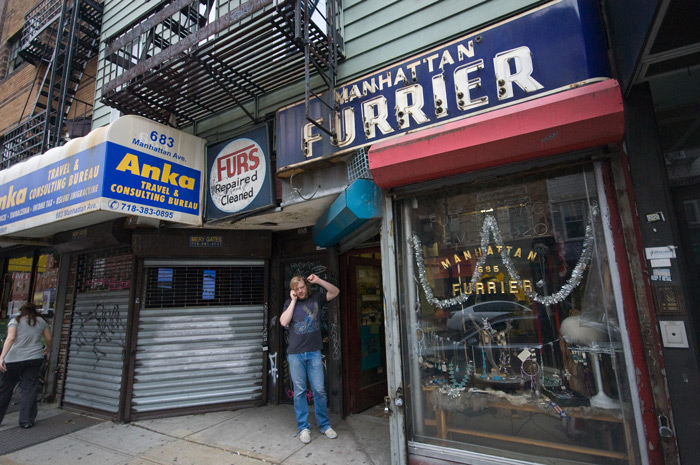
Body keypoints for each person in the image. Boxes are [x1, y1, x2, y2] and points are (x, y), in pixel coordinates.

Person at [280, 273, 340, 444]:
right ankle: (303, 428)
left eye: (302, 287)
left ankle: (324, 425)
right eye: (296, 289)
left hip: (313, 352)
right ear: (293, 291)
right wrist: (292, 301)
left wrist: (320, 280)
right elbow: (284, 322)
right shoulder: (289, 303)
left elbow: (335, 292)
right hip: (296, 354)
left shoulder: (317, 298)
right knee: (299, 392)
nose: (300, 291)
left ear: (306, 286)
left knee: (319, 390)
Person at [0, 302, 52, 428]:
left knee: (5, 389)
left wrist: (2, 357)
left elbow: (10, 339)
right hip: (34, 359)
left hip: (13, 359)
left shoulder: (15, 321)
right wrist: (48, 348)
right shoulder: (41, 321)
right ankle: (26, 421)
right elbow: (49, 339)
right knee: (29, 388)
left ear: (22, 311)